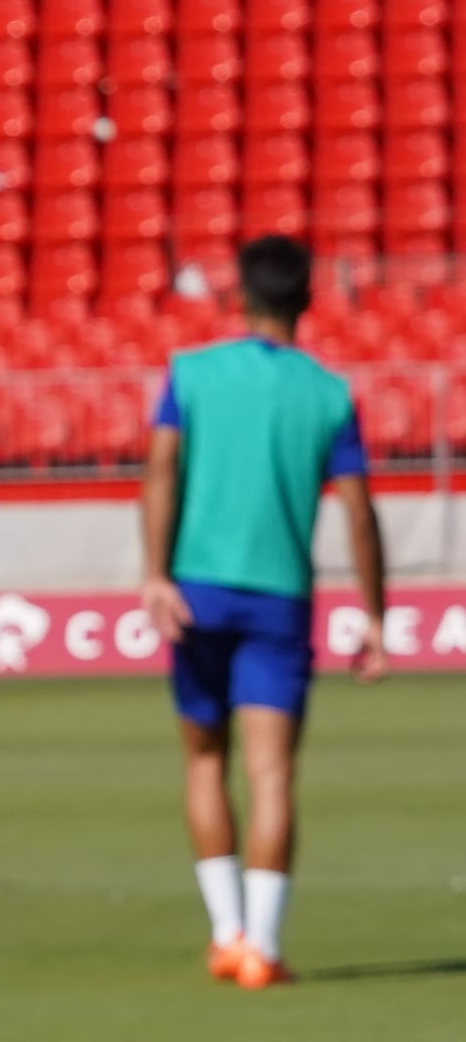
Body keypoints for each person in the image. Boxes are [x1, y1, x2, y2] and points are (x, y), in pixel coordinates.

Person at [138, 232, 387, 988]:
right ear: (308, 300)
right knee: (272, 776)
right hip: (279, 598)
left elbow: (160, 472)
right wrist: (374, 615)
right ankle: (264, 950)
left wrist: (154, 573)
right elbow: (358, 511)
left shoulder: (191, 373)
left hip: (196, 589)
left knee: (204, 761)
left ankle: (225, 933)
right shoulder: (330, 394)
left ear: (238, 297)